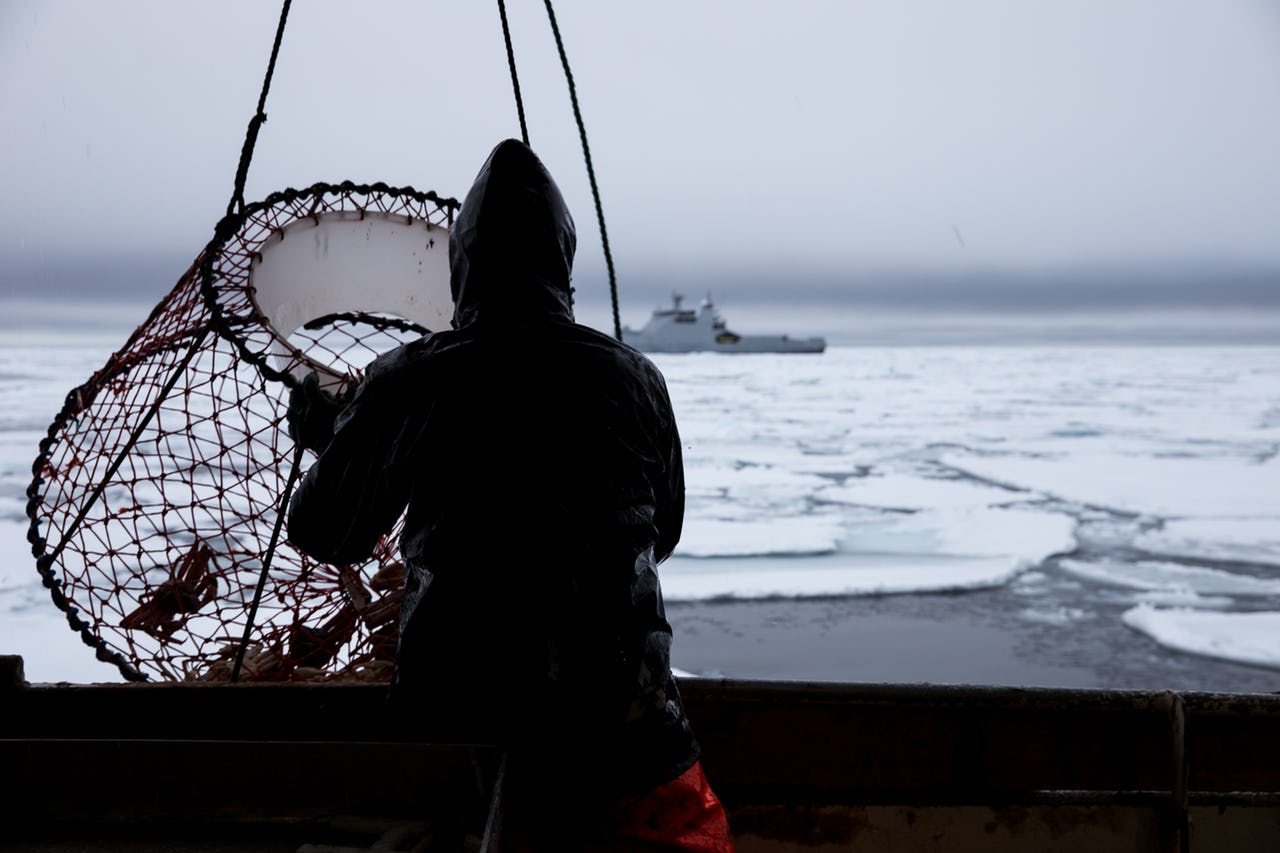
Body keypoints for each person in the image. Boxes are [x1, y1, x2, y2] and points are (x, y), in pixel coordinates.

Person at [286, 139, 734, 851]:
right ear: (562, 261)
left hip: (458, 743)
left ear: (462, 266)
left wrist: (331, 439)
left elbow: (324, 529)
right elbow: (665, 530)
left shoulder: (410, 378)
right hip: (634, 742)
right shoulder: (635, 377)